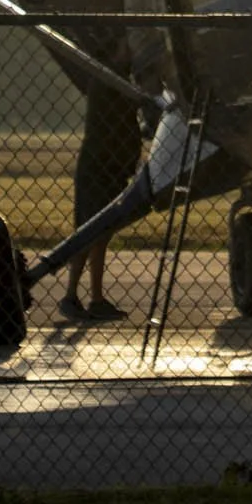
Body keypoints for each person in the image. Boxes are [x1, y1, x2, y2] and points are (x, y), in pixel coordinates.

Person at [61, 35, 143, 324]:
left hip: (110, 166)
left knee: (98, 233)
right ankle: (75, 295)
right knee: (92, 231)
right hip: (100, 166)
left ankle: (91, 296)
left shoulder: (114, 79)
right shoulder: (111, 81)